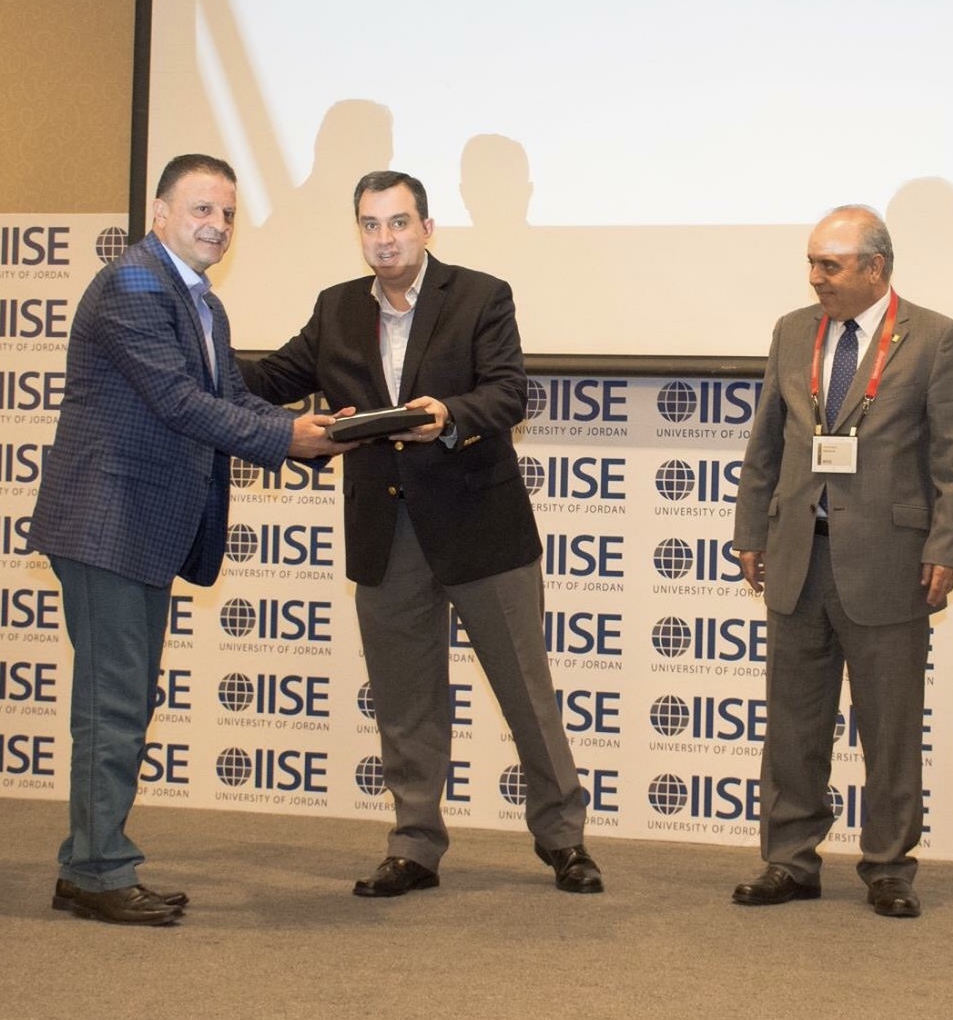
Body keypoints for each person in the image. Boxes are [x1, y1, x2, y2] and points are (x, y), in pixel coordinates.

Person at [238, 170, 602, 897]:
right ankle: (414, 844)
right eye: (370, 225)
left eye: (398, 223)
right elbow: (273, 377)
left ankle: (564, 838)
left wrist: (450, 415)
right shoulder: (336, 308)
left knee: (526, 695)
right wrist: (190, 351)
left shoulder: (480, 295)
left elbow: (509, 391)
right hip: (386, 530)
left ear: (427, 228)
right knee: (405, 702)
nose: (385, 239)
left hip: (481, 528)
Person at [30, 153, 348, 926]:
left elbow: (230, 396)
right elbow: (179, 402)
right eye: (202, 208)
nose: (217, 224)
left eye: (228, 213)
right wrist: (287, 438)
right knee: (113, 704)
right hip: (106, 523)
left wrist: (316, 430)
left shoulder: (202, 303)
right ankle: (97, 871)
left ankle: (91, 863)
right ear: (160, 212)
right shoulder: (134, 284)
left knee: (126, 700)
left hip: (143, 528)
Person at [730, 205, 953, 918]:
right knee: (792, 727)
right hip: (797, 559)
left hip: (891, 563)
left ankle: (889, 868)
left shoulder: (934, 337)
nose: (816, 278)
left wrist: (947, 547)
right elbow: (766, 442)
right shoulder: (792, 331)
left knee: (890, 729)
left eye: (830, 265)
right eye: (812, 263)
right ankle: (789, 861)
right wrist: (750, 530)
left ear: (876, 268)